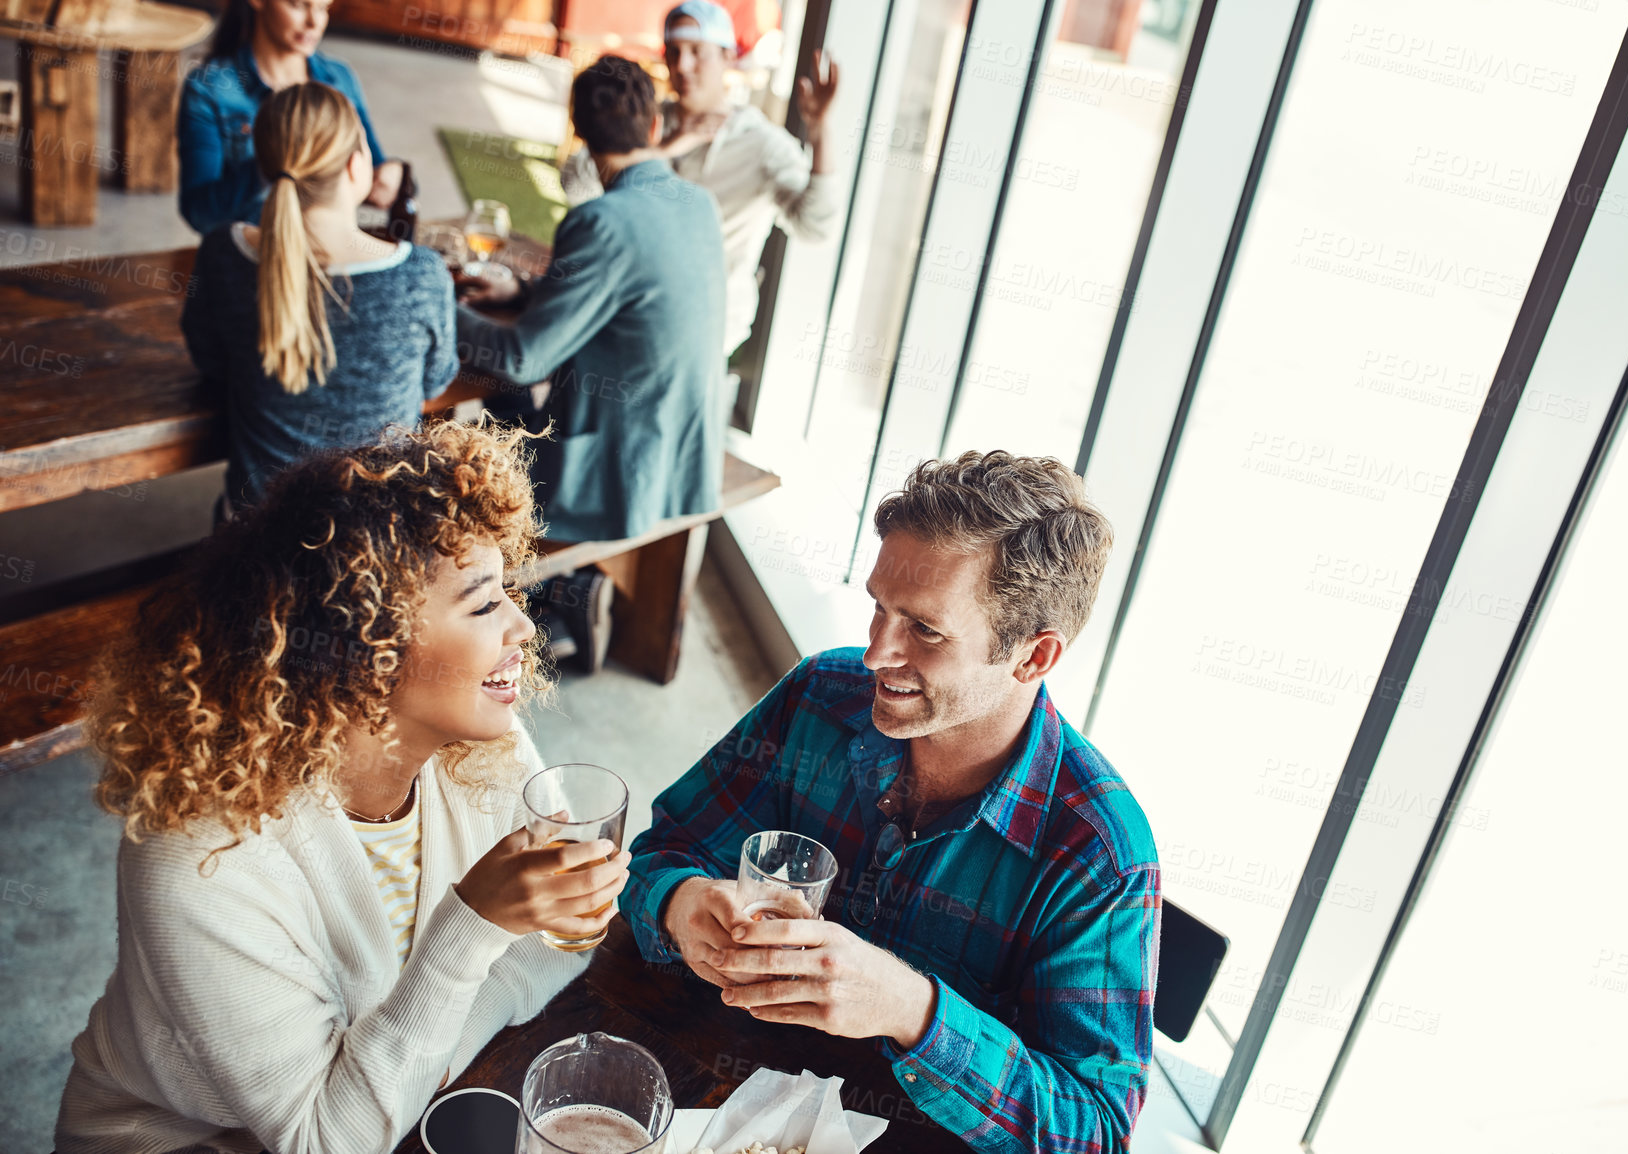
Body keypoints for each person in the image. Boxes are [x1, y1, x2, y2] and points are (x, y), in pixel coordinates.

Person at [55, 421, 631, 1154]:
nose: (523, 624)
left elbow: (557, 948)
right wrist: (473, 929)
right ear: (368, 651)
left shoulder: (485, 742)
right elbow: (324, 1139)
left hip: (402, 1108)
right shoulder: (199, 864)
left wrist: (426, 1059)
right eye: (485, 605)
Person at [622, 451, 1161, 1153]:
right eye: (880, 608)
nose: (877, 653)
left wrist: (913, 1011)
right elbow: (663, 853)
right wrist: (679, 902)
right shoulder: (821, 694)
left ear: (1034, 657)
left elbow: (1092, 1131)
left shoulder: (1099, 853)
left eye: (925, 630)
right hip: (724, 1097)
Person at [458, 54, 726, 547]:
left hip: (615, 476)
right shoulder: (700, 203)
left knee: (476, 431)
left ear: (578, 132)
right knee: (504, 407)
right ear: (654, 123)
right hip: (685, 463)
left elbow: (522, 358)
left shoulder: (600, 219)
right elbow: (634, 296)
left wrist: (435, 300)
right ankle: (573, 591)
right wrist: (522, 290)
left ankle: (554, 589)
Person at [181, 81, 457, 511]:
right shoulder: (422, 274)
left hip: (254, 543)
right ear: (354, 165)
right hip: (383, 552)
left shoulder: (222, 252)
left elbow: (211, 363)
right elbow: (436, 382)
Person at [561, 0, 840, 356]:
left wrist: (820, 132)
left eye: (697, 51)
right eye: (674, 52)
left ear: (728, 55)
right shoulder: (647, 121)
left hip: (704, 333)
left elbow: (817, 227)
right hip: (624, 309)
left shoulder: (762, 145)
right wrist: (662, 150)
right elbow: (574, 185)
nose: (683, 66)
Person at [179, 0, 404, 235]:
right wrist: (278, 161)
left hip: (330, 249)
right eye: (298, 5)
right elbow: (200, 212)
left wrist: (396, 175)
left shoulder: (340, 78)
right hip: (250, 253)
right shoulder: (210, 88)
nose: (314, 22)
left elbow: (374, 170)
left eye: (323, 8)